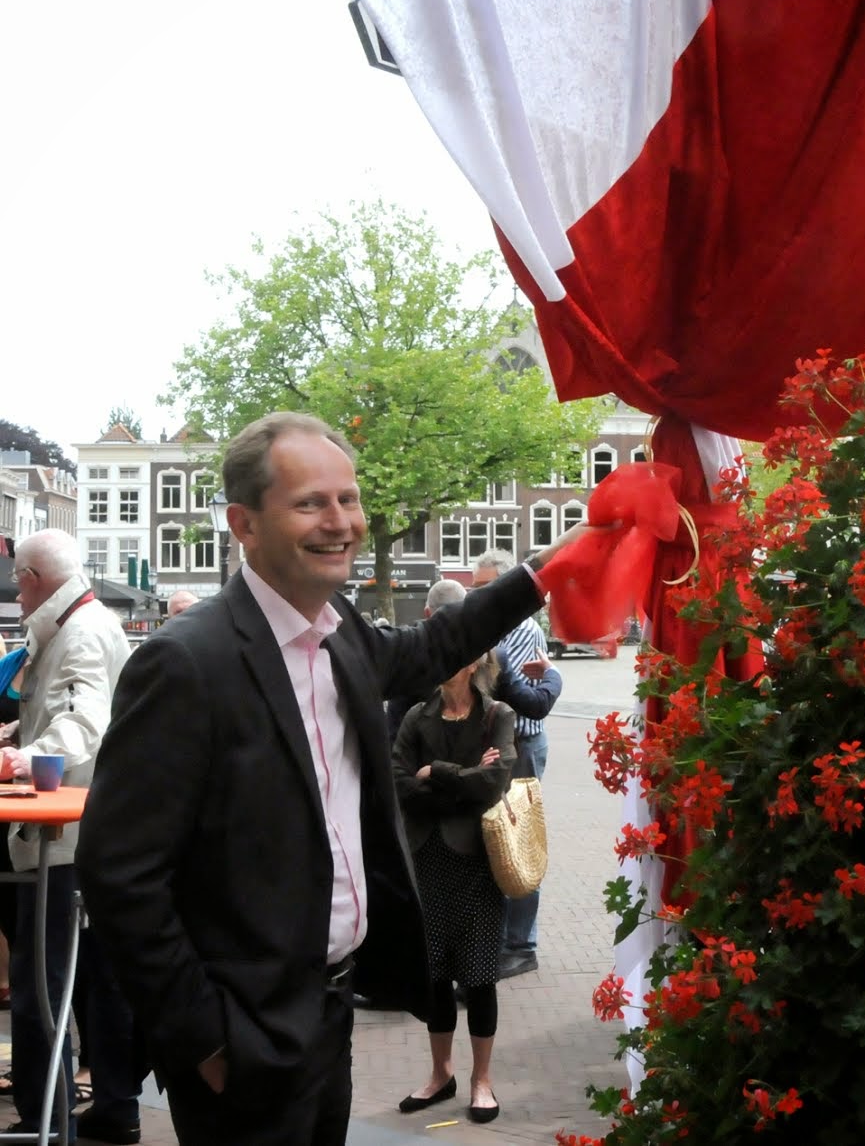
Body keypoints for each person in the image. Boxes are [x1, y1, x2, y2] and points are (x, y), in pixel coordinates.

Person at [77, 412, 582, 1146]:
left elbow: (427, 647)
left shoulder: (338, 626)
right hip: (244, 1033)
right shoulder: (186, 663)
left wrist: (543, 573)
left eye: (348, 500)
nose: (341, 522)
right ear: (243, 523)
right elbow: (119, 872)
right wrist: (204, 1040)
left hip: (332, 1010)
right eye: (311, 502)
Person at [6, 528, 140, 1143]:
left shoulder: (82, 633)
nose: (15, 589)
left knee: (45, 980)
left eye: (18, 578)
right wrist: (18, 741)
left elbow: (82, 726)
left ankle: (48, 1116)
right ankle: (108, 1108)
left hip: (65, 839)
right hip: (83, 833)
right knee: (92, 980)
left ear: (34, 578)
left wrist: (17, 761)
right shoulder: (76, 623)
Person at [392, 592, 514, 1123]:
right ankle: (439, 1073)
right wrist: (456, 778)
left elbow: (495, 781)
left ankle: (481, 1080)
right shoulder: (417, 716)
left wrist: (434, 773)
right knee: (435, 974)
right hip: (427, 859)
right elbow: (397, 782)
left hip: (477, 861)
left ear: (472, 661)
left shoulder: (498, 715)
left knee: (480, 975)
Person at [472, 550, 559, 976]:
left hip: (520, 745)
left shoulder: (519, 630)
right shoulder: (491, 628)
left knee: (518, 837)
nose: (481, 595)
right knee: (496, 841)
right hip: (504, 746)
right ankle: (505, 939)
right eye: (477, 587)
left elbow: (502, 690)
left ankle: (521, 946)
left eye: (488, 586)